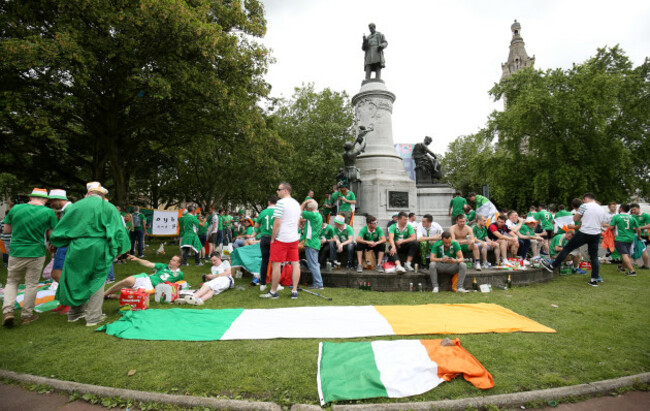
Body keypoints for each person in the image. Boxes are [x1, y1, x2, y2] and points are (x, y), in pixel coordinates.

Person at [51, 182, 130, 326]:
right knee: (97, 279)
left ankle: (74, 313)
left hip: (77, 247)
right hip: (99, 247)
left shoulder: (76, 206)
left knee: (77, 278)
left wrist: (60, 242)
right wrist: (119, 249)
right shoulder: (108, 207)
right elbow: (118, 230)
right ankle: (93, 317)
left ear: (88, 193)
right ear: (102, 195)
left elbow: (61, 230)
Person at [2, 188, 58, 327]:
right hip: (36, 251)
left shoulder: (16, 209)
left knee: (12, 282)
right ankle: (26, 315)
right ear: (45, 200)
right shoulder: (48, 212)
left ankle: (8, 311)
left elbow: (6, 230)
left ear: (31, 197)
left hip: (16, 250)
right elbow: (52, 234)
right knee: (31, 284)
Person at [541, 193, 606, 286]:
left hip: (584, 232)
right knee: (594, 256)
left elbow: (575, 217)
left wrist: (577, 221)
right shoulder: (601, 208)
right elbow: (600, 222)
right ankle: (594, 280)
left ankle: (552, 266)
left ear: (585, 199)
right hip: (596, 234)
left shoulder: (584, 206)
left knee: (567, 248)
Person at [261, 182, 301, 300]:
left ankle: (273, 291)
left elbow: (277, 222)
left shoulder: (281, 203)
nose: (277, 192)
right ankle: (294, 290)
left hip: (281, 238)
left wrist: (273, 238)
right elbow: (298, 222)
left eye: (278, 190)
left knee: (276, 264)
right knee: (295, 263)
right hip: (294, 238)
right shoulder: (296, 203)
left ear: (285, 190)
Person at [105, 254, 184, 298]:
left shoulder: (179, 274)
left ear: (178, 264)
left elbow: (180, 285)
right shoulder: (163, 266)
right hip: (147, 279)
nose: (170, 261)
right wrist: (137, 259)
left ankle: (111, 296)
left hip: (152, 288)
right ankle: (104, 294)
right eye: (171, 259)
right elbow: (148, 263)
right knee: (128, 281)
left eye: (173, 260)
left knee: (133, 296)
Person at [608, 204, 639, 276]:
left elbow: (611, 227)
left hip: (620, 238)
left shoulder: (616, 216)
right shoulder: (632, 217)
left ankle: (632, 271)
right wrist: (639, 236)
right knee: (626, 254)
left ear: (621, 209)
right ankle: (622, 267)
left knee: (624, 254)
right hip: (630, 238)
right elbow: (638, 229)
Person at [301, 199, 324, 289]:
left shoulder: (312, 214)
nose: (305, 209)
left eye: (307, 207)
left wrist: (304, 203)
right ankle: (317, 283)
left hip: (311, 243)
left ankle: (318, 283)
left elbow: (299, 211)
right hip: (314, 242)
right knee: (314, 264)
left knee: (313, 265)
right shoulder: (317, 215)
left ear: (309, 208)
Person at [256, 195, 277, 291]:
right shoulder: (278, 212)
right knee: (276, 262)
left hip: (264, 238)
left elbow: (256, 226)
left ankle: (263, 284)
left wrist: (263, 226)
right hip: (275, 238)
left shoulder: (263, 212)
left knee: (264, 261)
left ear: (268, 202)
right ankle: (275, 283)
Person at [629, 203, 650, 269]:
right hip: (634, 235)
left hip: (642, 235)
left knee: (643, 250)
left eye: (634, 209)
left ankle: (646, 265)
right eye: (632, 210)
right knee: (632, 249)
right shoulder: (633, 216)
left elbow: (649, 225)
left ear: (639, 208)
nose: (633, 211)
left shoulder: (646, 215)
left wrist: (640, 227)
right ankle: (631, 263)